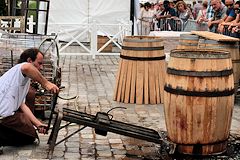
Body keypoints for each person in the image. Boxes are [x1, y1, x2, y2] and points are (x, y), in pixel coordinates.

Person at [0, 48, 59, 149]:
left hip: (6, 117)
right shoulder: (21, 68)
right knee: (28, 136)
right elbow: (27, 68)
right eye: (39, 63)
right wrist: (46, 83)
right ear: (29, 61)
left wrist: (37, 123)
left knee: (31, 137)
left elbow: (22, 105)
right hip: (3, 118)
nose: (41, 67)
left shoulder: (24, 80)